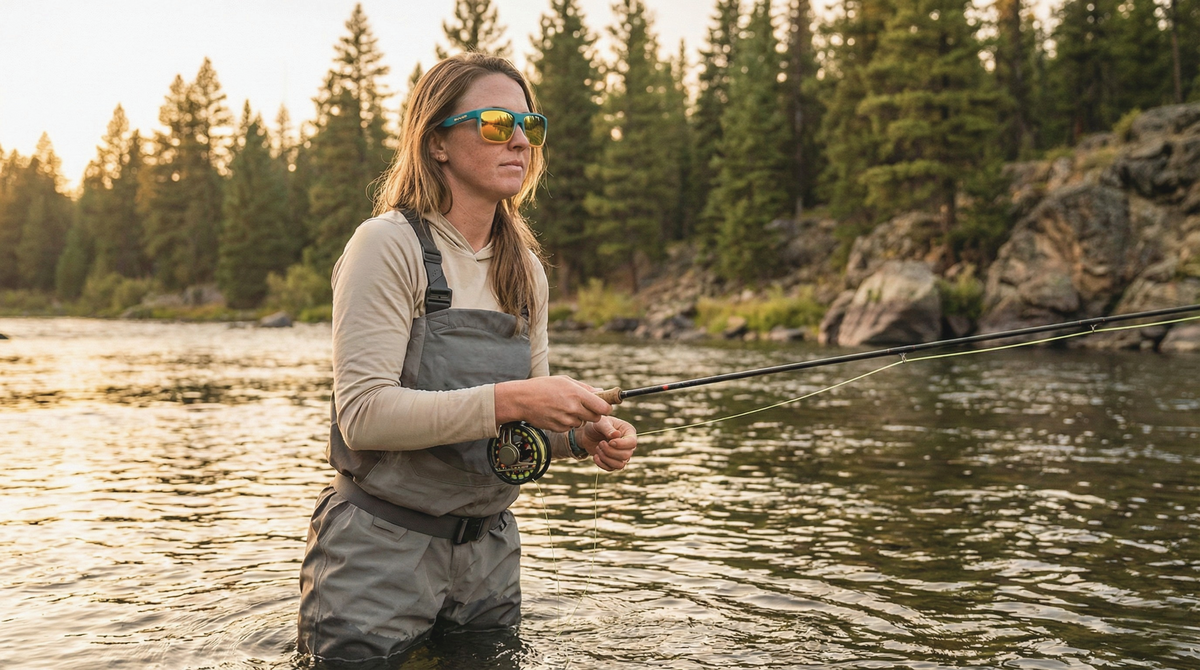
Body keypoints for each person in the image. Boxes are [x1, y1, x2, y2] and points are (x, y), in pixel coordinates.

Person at [297, 52, 638, 663]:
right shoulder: (387, 244)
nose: (519, 140)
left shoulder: (526, 270)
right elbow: (364, 416)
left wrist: (581, 436)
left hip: (490, 560)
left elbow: (523, 431)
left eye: (530, 126)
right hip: (377, 558)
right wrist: (513, 399)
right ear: (437, 143)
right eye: (496, 124)